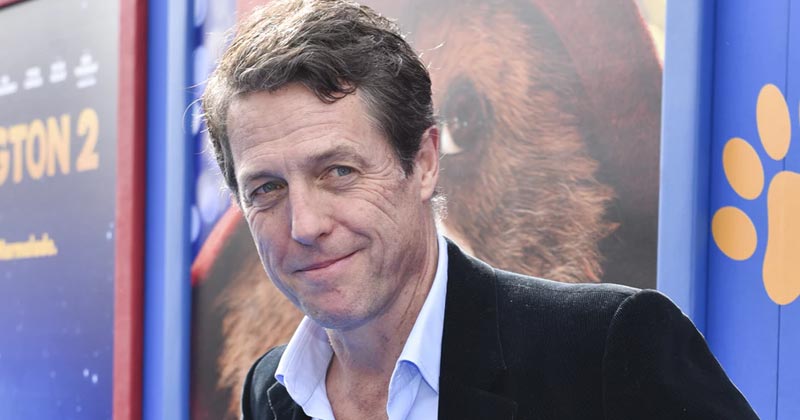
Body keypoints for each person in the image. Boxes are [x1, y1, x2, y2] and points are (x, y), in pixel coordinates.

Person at [201, 1, 758, 418]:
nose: (304, 224)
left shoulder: (607, 349)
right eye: (267, 189)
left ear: (424, 162)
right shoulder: (273, 390)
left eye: (339, 171)